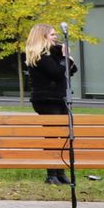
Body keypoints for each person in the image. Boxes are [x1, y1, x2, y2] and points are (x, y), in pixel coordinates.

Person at [24, 22, 76, 185]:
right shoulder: (39, 55)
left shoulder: (53, 53)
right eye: (53, 35)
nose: (56, 37)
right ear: (43, 36)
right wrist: (65, 58)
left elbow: (71, 70)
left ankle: (60, 172)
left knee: (62, 136)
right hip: (46, 100)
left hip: (59, 98)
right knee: (52, 136)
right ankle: (51, 174)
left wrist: (66, 59)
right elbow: (56, 72)